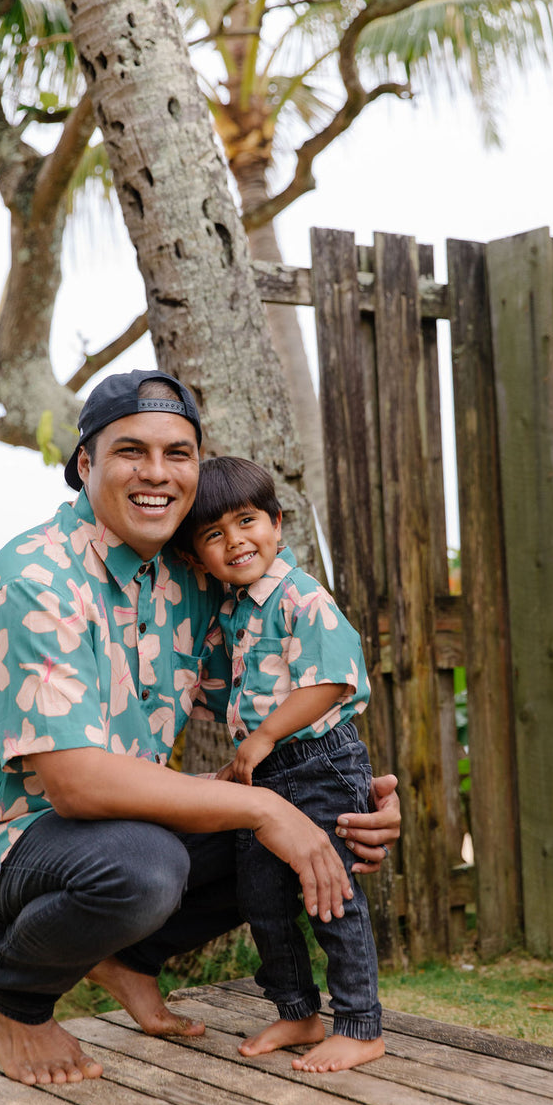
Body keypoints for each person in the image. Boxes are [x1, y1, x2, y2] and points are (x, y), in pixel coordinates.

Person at [0, 369, 401, 1087]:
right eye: (130, 451)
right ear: (85, 464)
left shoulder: (186, 578)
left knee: (298, 822)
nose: (157, 473)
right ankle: (10, 992)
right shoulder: (37, 577)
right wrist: (268, 808)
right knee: (147, 866)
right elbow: (77, 786)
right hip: (3, 839)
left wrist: (348, 800)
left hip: (124, 821)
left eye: (178, 453)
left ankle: (131, 959)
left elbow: (273, 694)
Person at [179, 456, 385, 1073]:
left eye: (246, 522)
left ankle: (360, 1024)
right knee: (263, 900)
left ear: (275, 523)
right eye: (214, 535)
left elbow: (332, 681)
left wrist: (263, 735)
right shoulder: (236, 610)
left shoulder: (301, 596)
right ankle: (298, 1011)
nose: (235, 541)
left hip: (320, 763)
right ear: (198, 555)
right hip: (268, 778)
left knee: (332, 896)